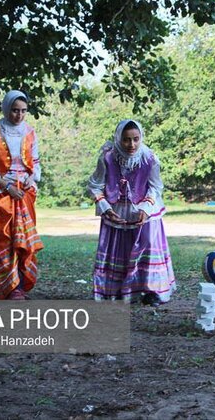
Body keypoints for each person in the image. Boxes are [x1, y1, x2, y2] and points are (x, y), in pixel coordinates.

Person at [88, 119, 176, 305]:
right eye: (126, 140)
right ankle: (119, 291)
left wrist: (145, 208)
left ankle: (151, 291)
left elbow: (155, 187)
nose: (132, 145)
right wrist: (106, 208)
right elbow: (95, 185)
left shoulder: (149, 158)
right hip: (117, 212)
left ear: (141, 137)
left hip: (143, 212)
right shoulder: (108, 158)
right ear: (119, 138)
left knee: (147, 248)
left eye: (136, 139)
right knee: (120, 251)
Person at [0, 90, 43, 300]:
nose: (19, 115)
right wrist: (7, 186)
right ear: (6, 108)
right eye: (14, 110)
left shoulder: (30, 132)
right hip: (0, 194)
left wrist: (31, 179)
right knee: (3, 239)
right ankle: (9, 287)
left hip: (25, 193)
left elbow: (36, 162)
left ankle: (20, 285)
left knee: (24, 241)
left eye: (23, 111)